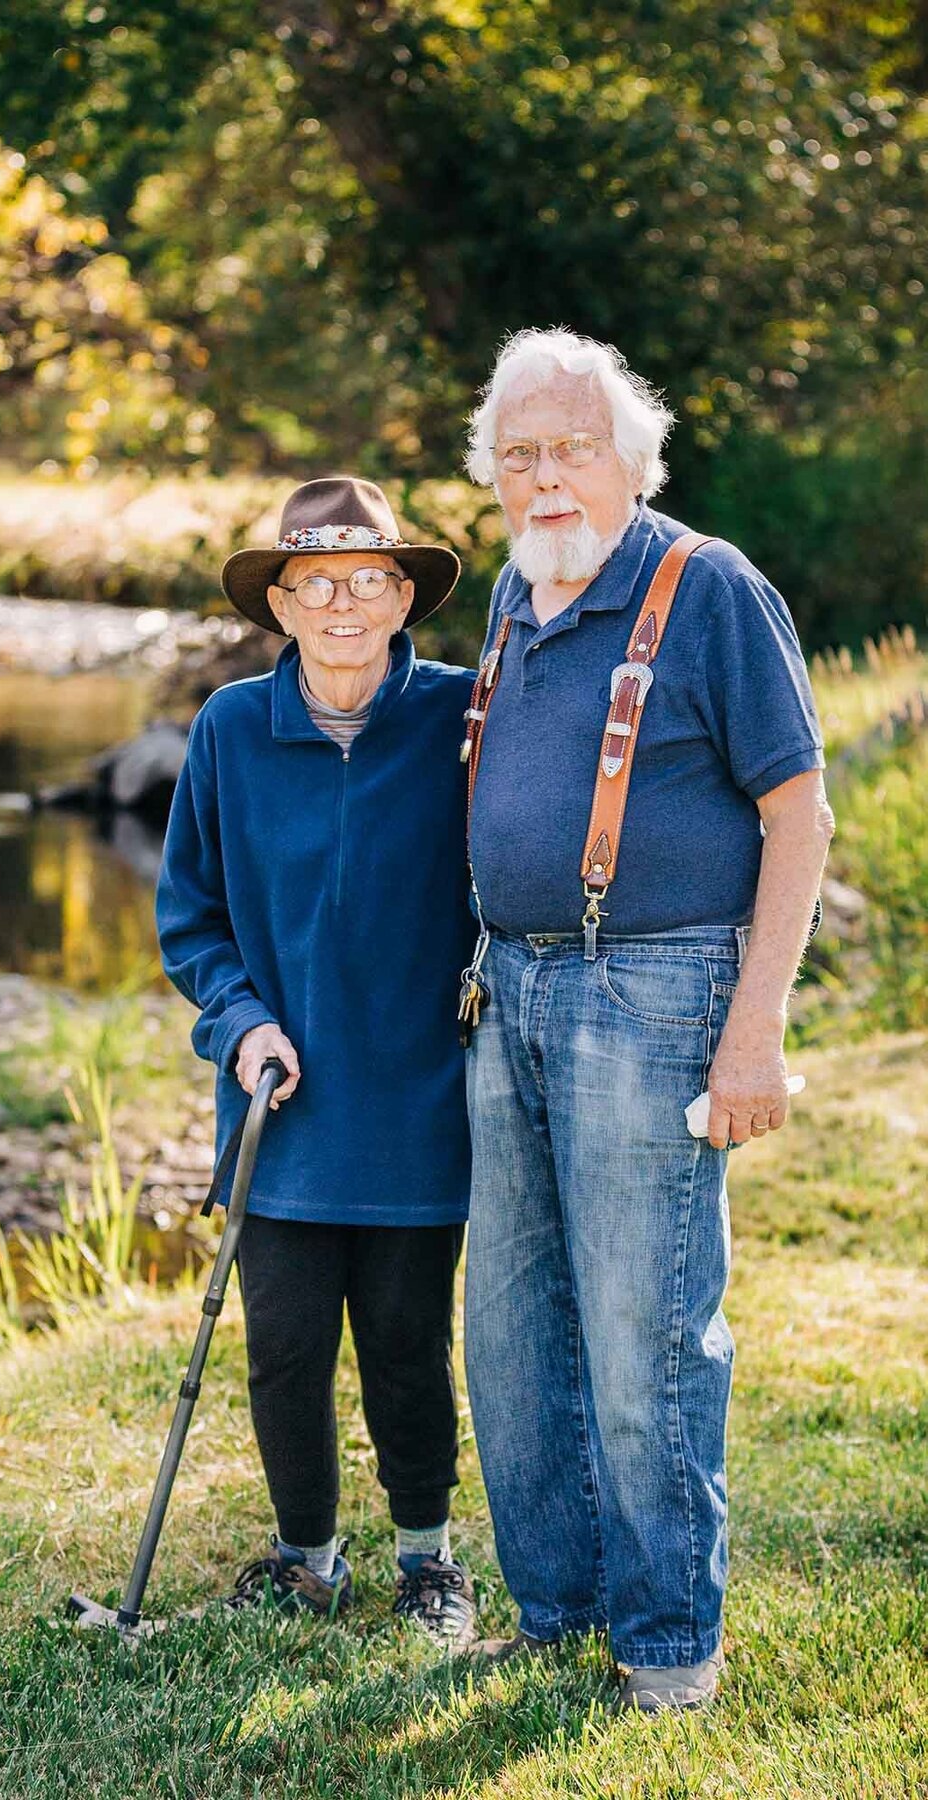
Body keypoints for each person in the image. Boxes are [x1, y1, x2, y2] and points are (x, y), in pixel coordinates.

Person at [460, 328, 834, 1710]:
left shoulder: (708, 586)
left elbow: (798, 815)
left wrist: (756, 1035)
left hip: (658, 985)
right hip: (510, 988)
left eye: (570, 449)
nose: (545, 477)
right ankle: (558, 1609)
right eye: (519, 455)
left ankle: (669, 1645)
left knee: (647, 1330)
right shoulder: (516, 592)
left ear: (630, 459)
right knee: (511, 1335)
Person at [155, 476, 479, 1643]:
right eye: (314, 585)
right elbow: (190, 921)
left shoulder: (462, 721)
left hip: (417, 1107)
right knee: (284, 1351)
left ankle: (429, 1564)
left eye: (367, 582)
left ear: (403, 597)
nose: (342, 604)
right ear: (280, 607)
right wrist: (242, 1024)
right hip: (277, 1111)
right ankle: (306, 1561)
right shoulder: (232, 730)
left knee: (406, 1346)